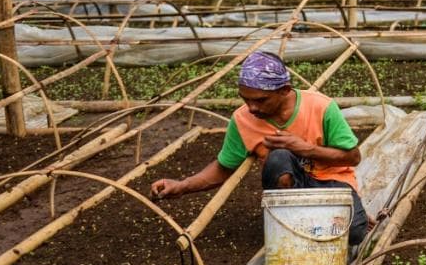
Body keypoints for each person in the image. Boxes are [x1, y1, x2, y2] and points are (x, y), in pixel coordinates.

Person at [151, 50, 369, 247]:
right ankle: (291, 223)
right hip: (289, 192)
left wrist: (304, 149)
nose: (252, 108)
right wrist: (182, 186)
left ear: (284, 90)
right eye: (245, 99)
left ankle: (320, 219)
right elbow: (224, 168)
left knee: (353, 233)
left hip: (331, 182)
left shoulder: (321, 107)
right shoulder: (242, 119)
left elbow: (353, 157)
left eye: (261, 100)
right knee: (279, 157)